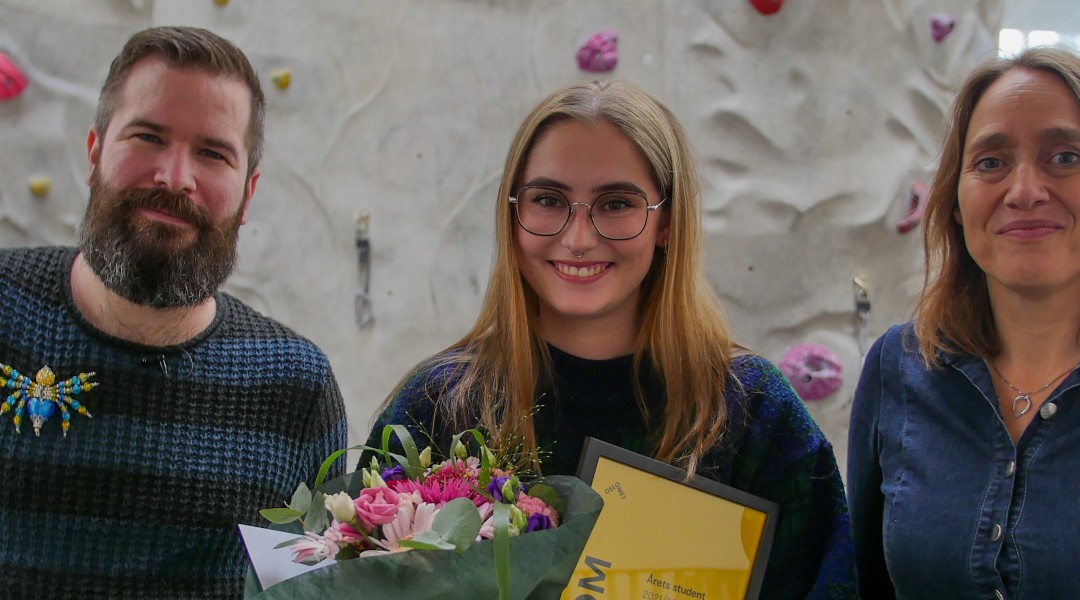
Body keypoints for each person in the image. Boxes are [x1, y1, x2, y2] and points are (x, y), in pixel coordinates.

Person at [358, 80, 857, 598]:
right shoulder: (438, 404)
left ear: (667, 222)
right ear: (513, 214)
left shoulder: (752, 412)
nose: (578, 239)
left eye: (617, 203)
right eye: (548, 199)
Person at [0, 27, 346, 599]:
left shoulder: (296, 391)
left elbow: (306, 593)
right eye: (148, 136)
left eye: (212, 153)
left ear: (247, 192)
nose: (174, 178)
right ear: (94, 152)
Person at [848, 45, 1080, 599]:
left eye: (1064, 157)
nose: (1025, 191)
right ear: (957, 203)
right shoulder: (899, 368)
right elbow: (864, 585)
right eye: (991, 162)